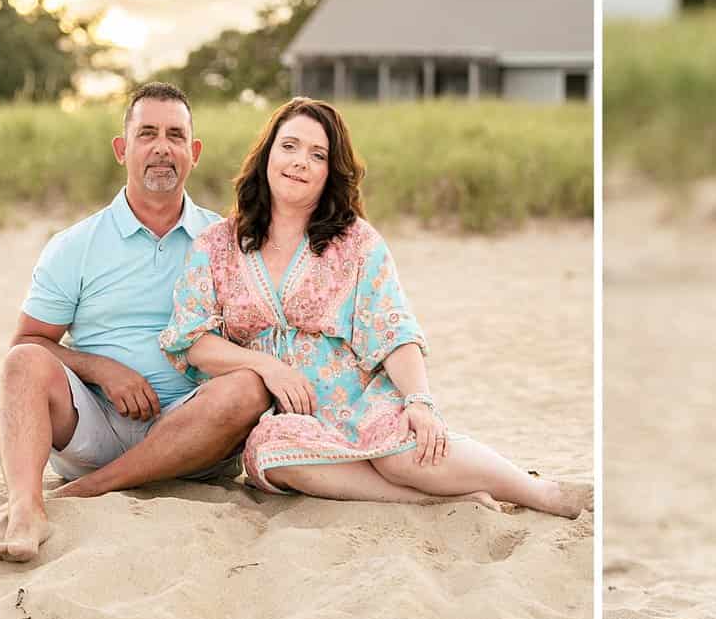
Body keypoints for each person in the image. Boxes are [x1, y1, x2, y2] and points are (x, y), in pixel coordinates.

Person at [158, 97, 589, 517]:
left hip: (360, 395)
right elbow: (192, 339)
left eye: (317, 154)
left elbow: (393, 328)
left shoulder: (357, 243)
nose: (299, 162)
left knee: (399, 454)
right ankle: (434, 502)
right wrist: (267, 367)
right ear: (267, 154)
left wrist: (420, 401)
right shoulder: (217, 244)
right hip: (284, 413)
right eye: (288, 146)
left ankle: (539, 492)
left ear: (330, 172)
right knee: (275, 453)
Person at [0, 83, 275, 561]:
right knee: (22, 362)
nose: (162, 147)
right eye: (147, 134)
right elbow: (31, 341)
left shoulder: (226, 240)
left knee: (249, 386)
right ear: (122, 149)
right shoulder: (76, 245)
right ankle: (26, 509)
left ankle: (94, 489)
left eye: (175, 135)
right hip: (96, 425)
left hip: (195, 433)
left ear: (194, 152)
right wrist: (102, 370)